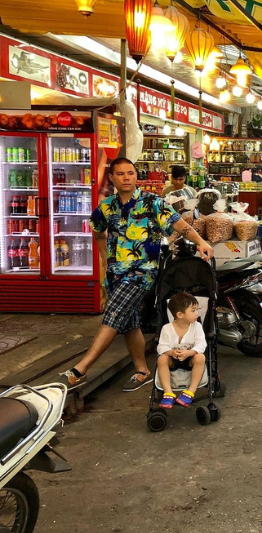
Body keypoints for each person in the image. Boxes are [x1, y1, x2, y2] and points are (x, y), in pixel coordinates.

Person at [56, 158, 214, 392]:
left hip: (142, 272)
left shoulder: (153, 203)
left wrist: (201, 242)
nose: (126, 177)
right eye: (120, 174)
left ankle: (80, 370)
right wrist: (104, 261)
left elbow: (179, 225)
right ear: (112, 178)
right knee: (129, 322)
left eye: (130, 173)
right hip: (115, 273)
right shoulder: (106, 206)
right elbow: (99, 232)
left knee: (113, 316)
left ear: (135, 176)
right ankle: (142, 371)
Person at [156, 292, 207, 409]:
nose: (197, 314)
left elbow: (201, 344)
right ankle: (168, 392)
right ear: (180, 314)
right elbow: (161, 347)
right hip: (172, 359)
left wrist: (190, 352)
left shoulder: (197, 326)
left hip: (190, 359)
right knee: (162, 359)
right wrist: (171, 352)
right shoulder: (167, 329)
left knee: (200, 357)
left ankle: (190, 392)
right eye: (193, 310)